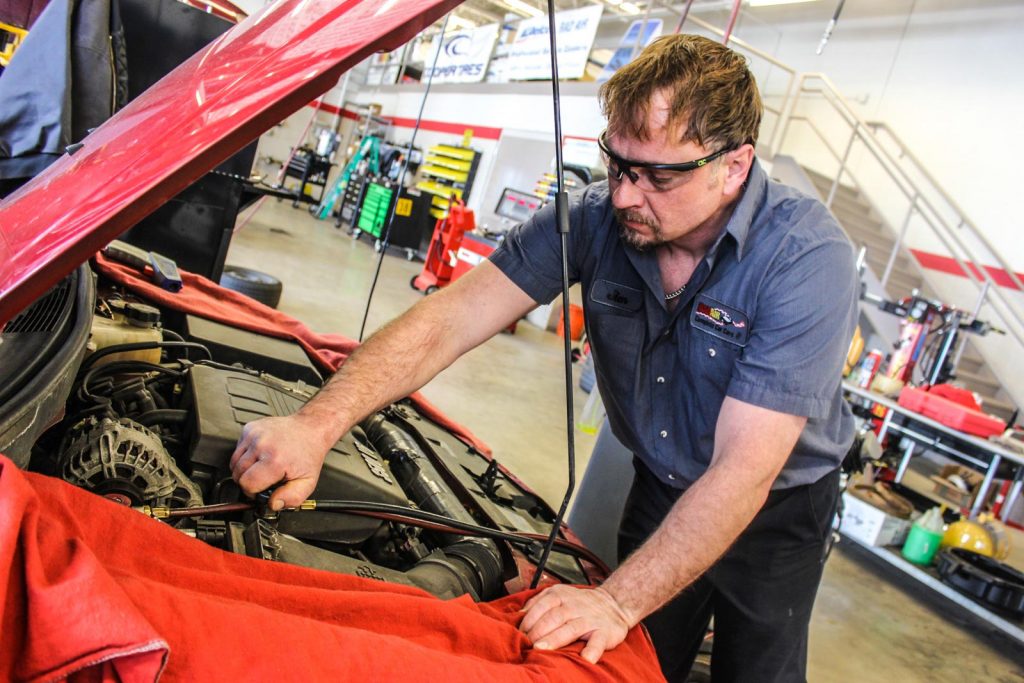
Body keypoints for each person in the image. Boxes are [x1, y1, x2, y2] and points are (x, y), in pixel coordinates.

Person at [229, 34, 858, 682]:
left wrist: (614, 599)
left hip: (778, 503)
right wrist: (315, 425)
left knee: (758, 669)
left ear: (734, 165)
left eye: (658, 176)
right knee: (634, 662)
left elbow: (744, 469)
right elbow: (451, 317)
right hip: (663, 482)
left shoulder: (804, 258)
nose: (622, 195)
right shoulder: (594, 220)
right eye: (617, 163)